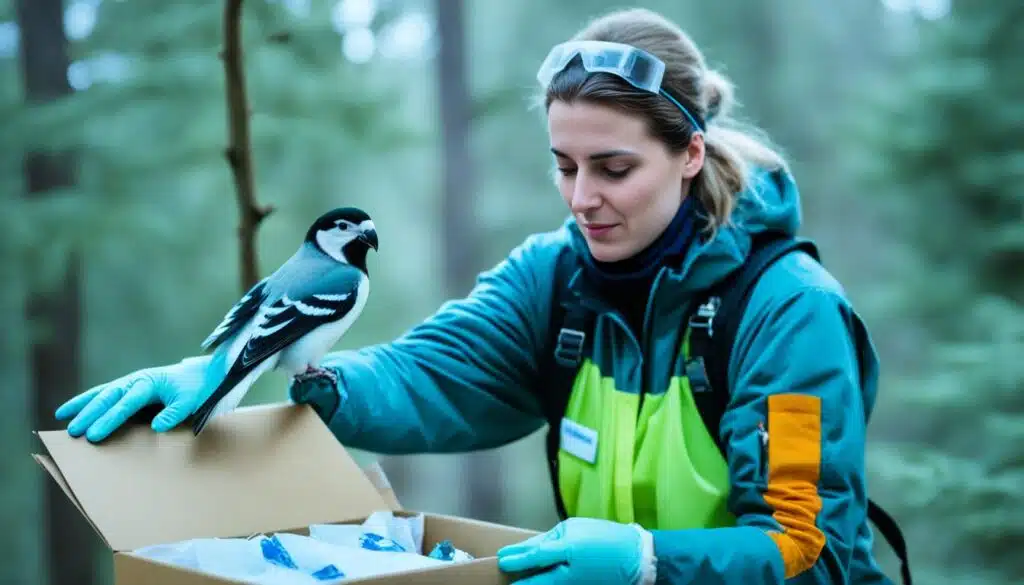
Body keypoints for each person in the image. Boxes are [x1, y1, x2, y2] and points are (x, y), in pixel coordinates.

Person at [54, 8, 901, 585]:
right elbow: (431, 374)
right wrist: (241, 365)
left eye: (613, 168)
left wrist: (650, 559)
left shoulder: (787, 313)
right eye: (564, 166)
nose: (580, 199)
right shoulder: (555, 278)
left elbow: (808, 550)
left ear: (688, 154)